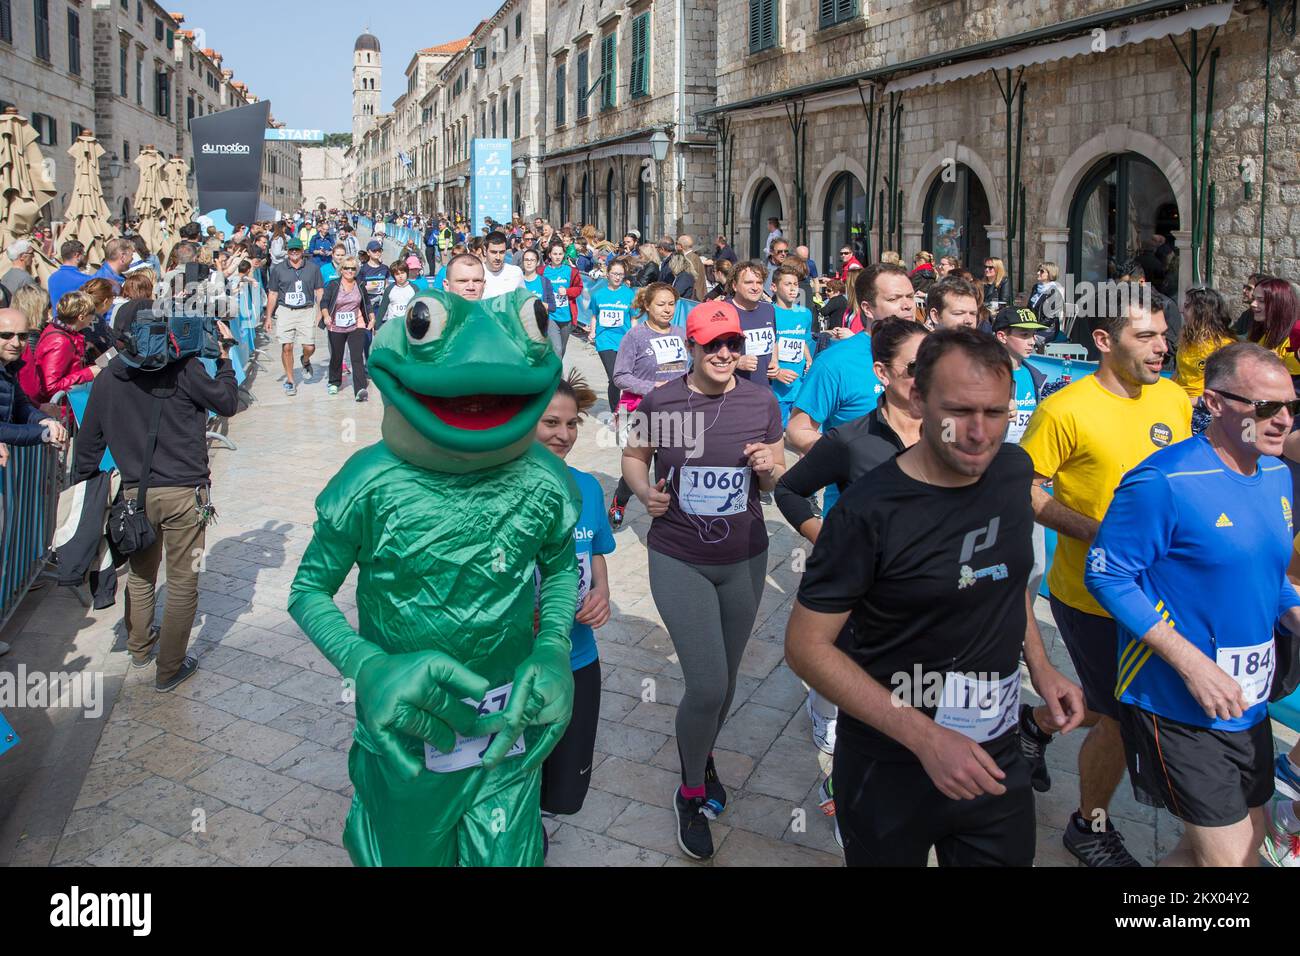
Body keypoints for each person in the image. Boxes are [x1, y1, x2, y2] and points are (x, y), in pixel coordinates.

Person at [786, 327, 1084, 866]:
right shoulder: (869, 510)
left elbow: (1002, 580)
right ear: (919, 400)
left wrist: (1041, 668)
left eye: (995, 413)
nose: (977, 432)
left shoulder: (1012, 473)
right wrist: (925, 738)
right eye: (960, 411)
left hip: (993, 756)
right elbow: (807, 648)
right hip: (890, 764)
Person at [1086, 343, 1300, 866]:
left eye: (1292, 406)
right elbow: (1107, 576)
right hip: (1177, 702)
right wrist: (1191, 663)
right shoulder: (1163, 481)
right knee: (1235, 866)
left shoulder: (1276, 476)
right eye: (1265, 407)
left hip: (1245, 701)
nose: (1283, 421)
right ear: (1215, 403)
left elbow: (1268, 578)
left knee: (1211, 853)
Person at [1018, 289, 1191, 866]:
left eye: (1164, 335)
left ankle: (1036, 725)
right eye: (1146, 336)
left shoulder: (1175, 399)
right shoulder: (1064, 410)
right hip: (1089, 593)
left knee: (1111, 701)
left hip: (1161, 593)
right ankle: (1087, 825)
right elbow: (1026, 489)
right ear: (1103, 340)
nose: (1161, 348)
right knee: (1122, 713)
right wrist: (1095, 531)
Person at [621, 300, 786, 860]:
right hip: (679, 555)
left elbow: (771, 479)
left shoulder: (761, 400)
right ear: (690, 347)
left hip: (744, 556)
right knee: (709, 684)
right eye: (713, 345)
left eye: (733, 345)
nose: (724, 354)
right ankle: (690, 791)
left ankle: (703, 752)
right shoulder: (662, 401)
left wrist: (769, 468)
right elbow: (634, 456)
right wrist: (645, 494)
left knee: (728, 679)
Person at [72, 305, 238, 692]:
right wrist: (226, 356)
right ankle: (170, 669)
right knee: (182, 583)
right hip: (185, 496)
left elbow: (88, 448)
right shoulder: (184, 368)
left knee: (143, 576)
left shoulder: (109, 378)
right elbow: (227, 402)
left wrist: (90, 495)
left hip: (135, 497)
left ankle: (141, 647)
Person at [535, 372, 614, 824]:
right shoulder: (496, 488)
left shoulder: (586, 487)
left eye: (571, 424)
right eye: (550, 423)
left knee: (564, 789)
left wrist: (602, 592)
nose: (563, 435)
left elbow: (596, 551)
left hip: (579, 661)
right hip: (516, 663)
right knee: (511, 770)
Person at [607, 282, 685, 528]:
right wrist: (653, 387)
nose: (667, 309)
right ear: (648, 306)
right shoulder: (636, 336)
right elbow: (619, 376)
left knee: (673, 465)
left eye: (671, 304)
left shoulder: (681, 333)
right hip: (638, 411)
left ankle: (669, 517)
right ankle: (620, 500)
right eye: (661, 304)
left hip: (675, 412)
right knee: (639, 466)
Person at [262, 238, 323, 397]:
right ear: (287, 252)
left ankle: (305, 360)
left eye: (297, 249)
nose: (294, 252)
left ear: (302, 251)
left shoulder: (313, 268)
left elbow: (319, 291)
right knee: (287, 346)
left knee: (309, 346)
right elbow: (273, 293)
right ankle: (290, 380)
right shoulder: (278, 269)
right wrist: (268, 317)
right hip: (285, 310)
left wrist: (320, 312)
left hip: (306, 310)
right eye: (291, 250)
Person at [0, 307, 68, 448]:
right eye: (6, 335)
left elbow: (20, 405)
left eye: (23, 336)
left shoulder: (9, 367)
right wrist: (43, 433)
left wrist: (45, 421)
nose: (16, 343)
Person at [25, 290, 101, 405]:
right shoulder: (60, 341)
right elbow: (50, 386)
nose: (93, 318)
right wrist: (88, 373)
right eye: (92, 315)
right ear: (81, 317)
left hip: (70, 405)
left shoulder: (64, 332)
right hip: (62, 411)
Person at [319, 256, 372, 402]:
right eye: (346, 268)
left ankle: (360, 389)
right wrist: (325, 316)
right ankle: (334, 382)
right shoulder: (333, 285)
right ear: (341, 269)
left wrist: (372, 318)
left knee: (356, 357)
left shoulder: (360, 284)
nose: (350, 271)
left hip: (356, 324)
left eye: (353, 268)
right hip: (336, 325)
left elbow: (366, 303)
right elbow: (324, 302)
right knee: (337, 355)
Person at [769, 263, 815, 427]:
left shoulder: (805, 314)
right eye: (787, 284)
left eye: (795, 284)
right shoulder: (768, 313)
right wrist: (776, 372)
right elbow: (766, 348)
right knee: (778, 437)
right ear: (774, 287)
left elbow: (802, 340)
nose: (793, 289)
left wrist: (809, 360)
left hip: (800, 385)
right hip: (777, 387)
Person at [589, 258, 636, 412]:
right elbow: (595, 315)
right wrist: (592, 331)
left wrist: (635, 338)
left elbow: (633, 318)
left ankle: (626, 407)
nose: (617, 277)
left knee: (623, 377)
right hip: (605, 340)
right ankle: (615, 412)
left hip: (624, 341)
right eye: (614, 274)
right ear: (607, 274)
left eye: (621, 274)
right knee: (614, 377)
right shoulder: (598, 295)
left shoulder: (629, 294)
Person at [1173, 287, 1236, 400]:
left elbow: (1226, 389)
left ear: (1201, 311)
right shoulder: (1187, 337)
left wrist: (1189, 401)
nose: (1182, 310)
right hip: (1178, 397)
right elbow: (1178, 373)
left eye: (1187, 306)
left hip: (1202, 405)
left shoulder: (1224, 346)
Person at [728, 261, 777, 384]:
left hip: (765, 391)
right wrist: (736, 362)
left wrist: (775, 361)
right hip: (734, 392)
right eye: (748, 283)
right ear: (734, 286)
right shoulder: (723, 311)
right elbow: (706, 353)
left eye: (759, 283)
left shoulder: (769, 309)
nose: (755, 287)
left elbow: (774, 341)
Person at [542, 241, 582, 357]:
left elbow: (579, 288)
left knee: (562, 349)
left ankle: (555, 370)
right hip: (551, 315)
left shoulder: (571, 271)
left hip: (566, 316)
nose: (557, 257)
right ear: (549, 255)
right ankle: (556, 374)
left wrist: (567, 292)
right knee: (557, 348)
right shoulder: (542, 271)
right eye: (555, 254)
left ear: (564, 254)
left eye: (560, 254)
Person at [373, 259, 417, 331]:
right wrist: (377, 327)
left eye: (402, 273)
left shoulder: (414, 289)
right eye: (397, 274)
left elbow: (419, 307)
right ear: (393, 276)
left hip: (409, 326)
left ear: (407, 273)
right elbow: (382, 309)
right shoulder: (389, 289)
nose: (400, 276)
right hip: (393, 326)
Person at [482, 230, 525, 299]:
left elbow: (523, 301)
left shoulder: (515, 272)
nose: (498, 257)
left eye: (502, 252)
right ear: (484, 251)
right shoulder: (476, 274)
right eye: (493, 252)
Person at [47, 240, 90, 306]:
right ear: (77, 255)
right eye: (84, 254)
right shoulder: (86, 280)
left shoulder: (52, 278)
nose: (85, 257)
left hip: (57, 316)